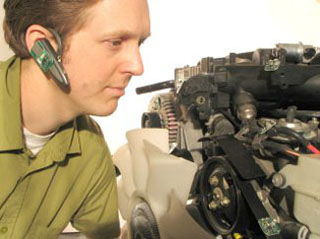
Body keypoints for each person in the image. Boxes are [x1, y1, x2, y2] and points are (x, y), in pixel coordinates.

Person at [0, 0, 150, 238]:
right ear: (43, 46)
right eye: (115, 42)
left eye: (139, 43)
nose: (137, 66)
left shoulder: (90, 150)